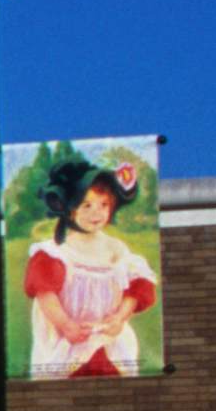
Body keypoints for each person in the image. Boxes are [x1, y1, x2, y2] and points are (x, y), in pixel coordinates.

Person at [24, 155, 159, 378]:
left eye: (104, 205)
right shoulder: (57, 252)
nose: (96, 213)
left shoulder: (116, 249)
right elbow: (44, 292)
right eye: (86, 205)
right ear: (69, 209)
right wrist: (66, 325)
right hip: (68, 340)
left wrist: (119, 318)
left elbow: (138, 285)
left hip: (109, 339)